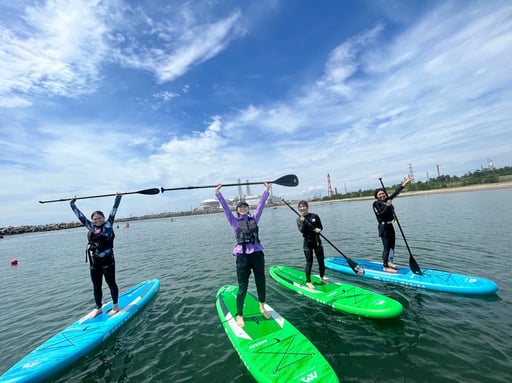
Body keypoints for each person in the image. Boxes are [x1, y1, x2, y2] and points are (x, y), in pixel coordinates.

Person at [215, 182, 272, 328]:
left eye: (245, 206)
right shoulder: (234, 221)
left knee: (261, 282)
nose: (243, 208)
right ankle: (239, 314)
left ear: (248, 209)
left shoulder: (254, 218)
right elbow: (226, 209)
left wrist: (267, 190)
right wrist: (218, 194)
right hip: (242, 257)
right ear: (238, 210)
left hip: (258, 254)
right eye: (240, 207)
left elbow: (261, 206)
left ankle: (262, 307)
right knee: (242, 287)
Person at [70, 194, 122, 318]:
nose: (97, 220)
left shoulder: (108, 225)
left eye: (99, 218)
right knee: (96, 285)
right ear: (92, 220)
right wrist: (72, 204)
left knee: (111, 283)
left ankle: (115, 306)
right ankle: (98, 308)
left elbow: (114, 211)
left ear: (103, 218)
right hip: (95, 261)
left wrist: (118, 198)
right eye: (95, 219)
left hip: (108, 260)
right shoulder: (90, 226)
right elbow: (80, 216)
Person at [372, 176, 413, 272]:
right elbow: (381, 214)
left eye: (383, 193)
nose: (382, 195)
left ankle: (390, 262)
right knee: (386, 247)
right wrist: (387, 205)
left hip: (390, 226)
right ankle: (385, 266)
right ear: (377, 196)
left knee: (392, 246)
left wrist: (406, 182)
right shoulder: (376, 204)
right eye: (379, 194)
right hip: (383, 227)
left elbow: (396, 192)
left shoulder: (388, 200)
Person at [296, 201, 328, 289]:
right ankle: (308, 281)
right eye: (300, 207)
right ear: (299, 209)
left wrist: (319, 230)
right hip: (307, 243)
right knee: (309, 262)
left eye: (304, 206)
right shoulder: (299, 219)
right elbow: (302, 230)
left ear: (307, 207)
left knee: (321, 262)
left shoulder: (314, 216)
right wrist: (303, 222)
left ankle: (322, 278)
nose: (302, 208)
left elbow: (321, 227)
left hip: (317, 241)